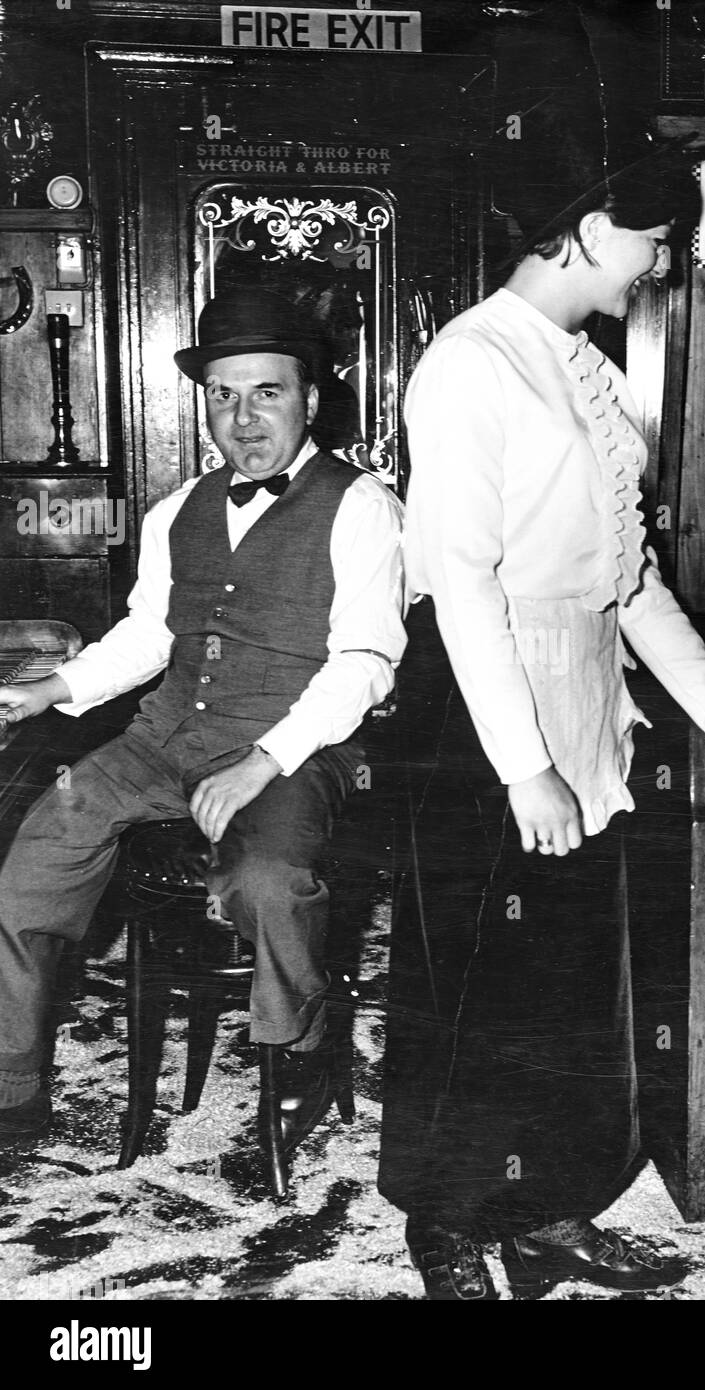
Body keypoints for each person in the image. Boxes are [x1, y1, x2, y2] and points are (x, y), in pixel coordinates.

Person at [378, 155, 705, 1301]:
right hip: (479, 712)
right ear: (592, 227)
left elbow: (629, 580)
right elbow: (461, 585)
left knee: (568, 983)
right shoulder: (469, 364)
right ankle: (450, 1226)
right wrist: (525, 767)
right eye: (656, 239)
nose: (664, 260)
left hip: (584, 704)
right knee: (470, 983)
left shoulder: (590, 371)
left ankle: (545, 1210)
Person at [0, 288, 406, 1157]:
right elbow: (149, 635)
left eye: (267, 392)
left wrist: (265, 758)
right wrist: (52, 688)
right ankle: (14, 1092)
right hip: (163, 739)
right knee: (31, 862)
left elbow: (366, 663)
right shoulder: (175, 508)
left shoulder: (363, 506)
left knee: (266, 881)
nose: (244, 417)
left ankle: (303, 1052)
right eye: (224, 395)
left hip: (296, 743)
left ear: (309, 399)